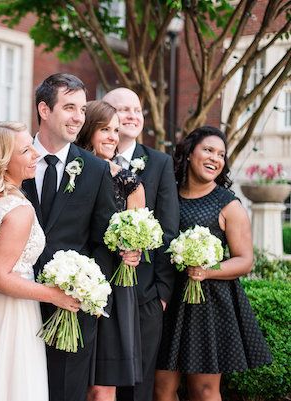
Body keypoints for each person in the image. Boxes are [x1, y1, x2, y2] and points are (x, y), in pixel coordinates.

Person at [0, 122, 81, 401]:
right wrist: (54, 295)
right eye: (25, 151)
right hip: (9, 315)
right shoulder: (18, 210)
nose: (35, 154)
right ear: (3, 162)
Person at [154, 126, 272, 401]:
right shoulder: (167, 194)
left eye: (221, 154)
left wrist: (206, 271)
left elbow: (245, 261)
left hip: (209, 305)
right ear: (189, 153)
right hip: (168, 301)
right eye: (208, 150)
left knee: (203, 390)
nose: (215, 158)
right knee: (161, 388)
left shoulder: (228, 204)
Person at [19, 73, 116, 401]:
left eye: (83, 109)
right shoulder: (10, 160)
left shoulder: (95, 169)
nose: (79, 117)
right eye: (70, 107)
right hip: (12, 302)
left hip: (69, 310)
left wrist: (85, 285)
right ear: (44, 110)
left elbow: (104, 242)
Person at [103, 87, 179, 401]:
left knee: (139, 384)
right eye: (123, 109)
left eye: (137, 109)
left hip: (145, 293)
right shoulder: (88, 160)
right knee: (102, 382)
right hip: (100, 288)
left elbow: (168, 227)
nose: (133, 115)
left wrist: (162, 293)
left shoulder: (159, 163)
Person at [75, 100, 144, 401]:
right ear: (88, 129)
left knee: (102, 387)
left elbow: (138, 235)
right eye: (105, 129)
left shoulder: (129, 183)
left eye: (116, 131)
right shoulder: (71, 171)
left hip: (115, 288)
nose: (113, 137)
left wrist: (135, 251)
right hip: (72, 278)